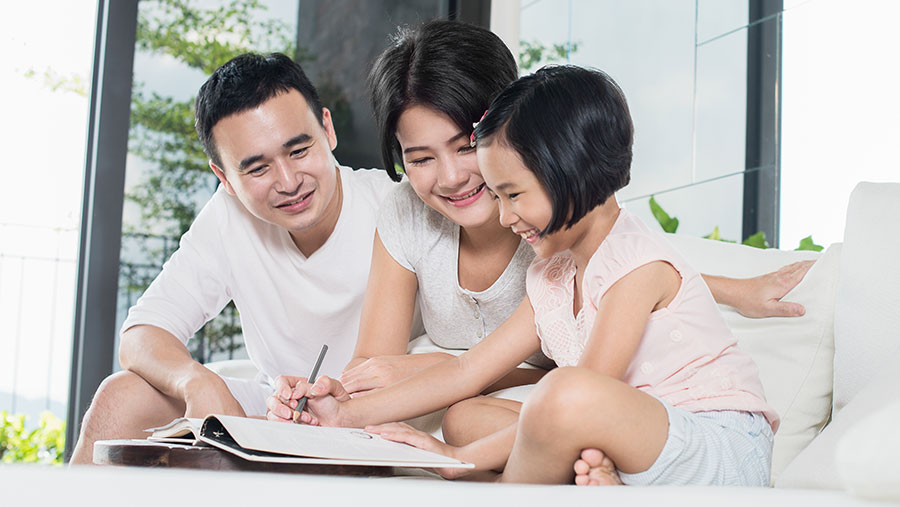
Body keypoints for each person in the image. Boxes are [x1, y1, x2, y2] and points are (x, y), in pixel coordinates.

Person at [266, 20, 810, 449]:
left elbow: (631, 273)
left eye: (465, 146)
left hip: (606, 408)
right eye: (420, 158)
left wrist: (736, 288)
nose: (452, 177)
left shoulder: (563, 231)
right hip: (534, 403)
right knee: (464, 419)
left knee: (514, 416)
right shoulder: (417, 216)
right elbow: (388, 368)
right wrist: (335, 406)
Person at [68, 53, 397, 464]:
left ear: (327, 130)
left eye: (298, 151)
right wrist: (194, 380)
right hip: (277, 409)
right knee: (121, 395)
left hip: (386, 412)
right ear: (224, 178)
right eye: (257, 169)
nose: (289, 182)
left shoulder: (393, 203)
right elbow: (141, 334)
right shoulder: (228, 217)